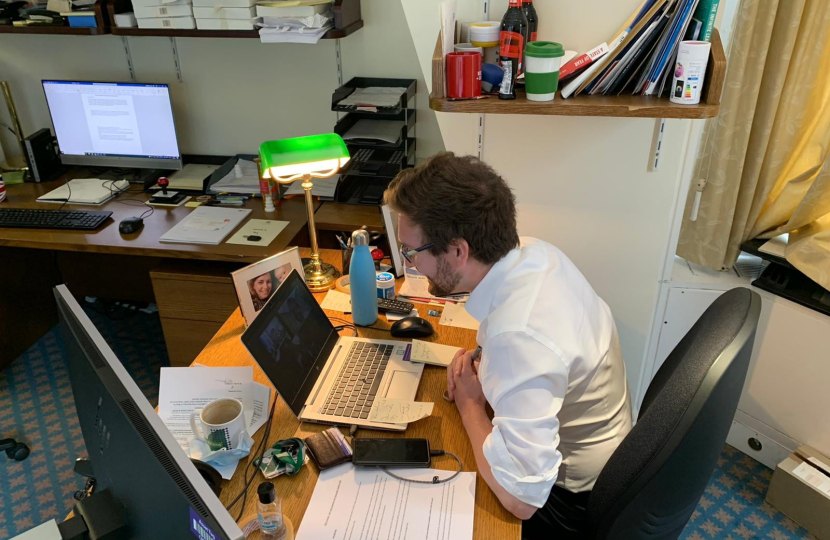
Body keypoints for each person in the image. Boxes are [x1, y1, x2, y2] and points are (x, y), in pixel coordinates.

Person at [383, 153, 633, 539]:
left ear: (458, 251)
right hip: (604, 453)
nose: (410, 266)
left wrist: (469, 405)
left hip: (569, 502)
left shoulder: (519, 337)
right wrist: (485, 361)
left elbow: (523, 499)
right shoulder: (534, 253)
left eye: (411, 253)